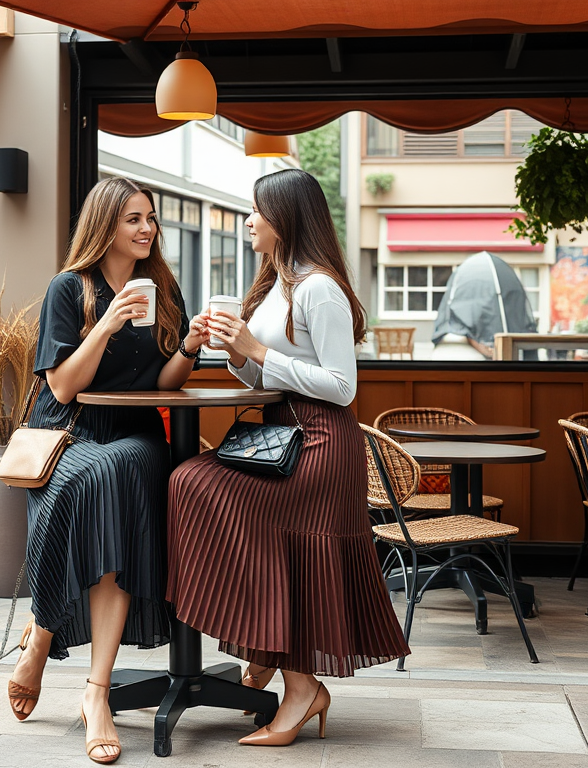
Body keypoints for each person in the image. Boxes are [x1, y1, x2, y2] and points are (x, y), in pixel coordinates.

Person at [167, 169, 409, 747]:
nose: (249, 220)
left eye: (256, 210)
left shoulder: (319, 287)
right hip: (283, 439)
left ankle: (297, 684)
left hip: (320, 444)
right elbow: (261, 376)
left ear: (285, 218)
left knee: (197, 486)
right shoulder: (276, 285)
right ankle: (275, 657)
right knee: (189, 482)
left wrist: (253, 347)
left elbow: (342, 387)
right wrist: (233, 350)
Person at [6, 176, 208, 764]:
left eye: (150, 218)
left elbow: (163, 388)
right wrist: (108, 322)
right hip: (72, 433)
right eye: (133, 220)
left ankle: (91, 687)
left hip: (138, 436)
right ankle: (46, 635)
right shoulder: (69, 289)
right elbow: (64, 385)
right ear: (105, 227)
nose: (147, 229)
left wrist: (188, 347)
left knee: (118, 474)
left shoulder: (164, 290)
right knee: (96, 481)